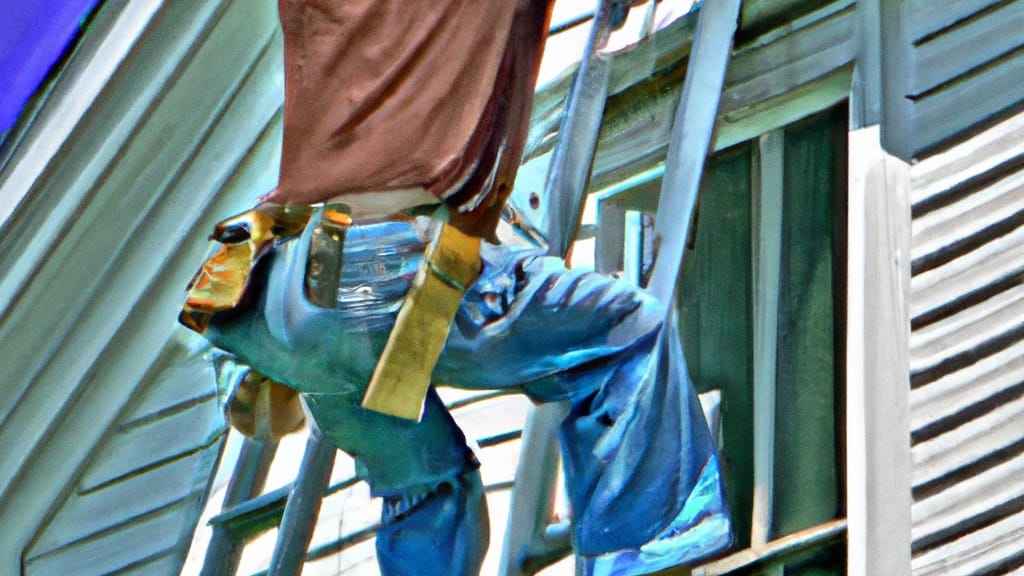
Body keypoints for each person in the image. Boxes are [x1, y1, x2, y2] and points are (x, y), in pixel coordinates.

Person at [180, 1, 730, 573]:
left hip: (286, 289)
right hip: (388, 266)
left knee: (424, 482)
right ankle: (642, 552)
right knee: (628, 331)